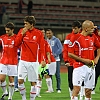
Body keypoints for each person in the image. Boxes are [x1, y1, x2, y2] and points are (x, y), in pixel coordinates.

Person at [15, 16, 46, 100]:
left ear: (31, 24)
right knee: (20, 81)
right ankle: (24, 98)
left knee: (33, 83)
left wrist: (43, 59)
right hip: (23, 61)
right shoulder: (22, 31)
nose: (24, 25)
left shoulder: (38, 33)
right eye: (24, 23)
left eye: (26, 24)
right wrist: (21, 35)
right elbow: (16, 44)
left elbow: (42, 47)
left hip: (33, 62)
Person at [68, 20, 100, 100]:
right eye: (92, 28)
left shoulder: (93, 37)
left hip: (91, 68)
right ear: (86, 29)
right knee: (76, 90)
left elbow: (99, 47)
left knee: (88, 91)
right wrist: (84, 60)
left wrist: (96, 58)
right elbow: (70, 54)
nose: (94, 29)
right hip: (79, 67)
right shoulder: (75, 37)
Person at [62, 21, 81, 98]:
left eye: (75, 28)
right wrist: (66, 60)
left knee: (80, 81)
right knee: (71, 80)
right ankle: (71, 96)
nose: (74, 30)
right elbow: (65, 50)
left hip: (80, 63)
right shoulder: (68, 37)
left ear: (79, 29)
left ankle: (81, 95)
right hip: (71, 63)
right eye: (73, 28)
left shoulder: (82, 36)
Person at [0, 22, 18, 100]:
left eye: (8, 30)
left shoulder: (17, 38)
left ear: (12, 30)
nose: (6, 32)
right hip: (3, 60)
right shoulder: (2, 38)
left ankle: (10, 97)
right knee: (1, 79)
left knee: (11, 79)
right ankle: (5, 92)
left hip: (13, 62)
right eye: (6, 30)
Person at [36, 28, 56, 97]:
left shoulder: (45, 42)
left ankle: (39, 92)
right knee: (40, 76)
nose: (43, 34)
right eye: (42, 32)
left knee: (42, 76)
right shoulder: (35, 41)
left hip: (42, 61)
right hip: (35, 61)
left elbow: (47, 51)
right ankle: (49, 89)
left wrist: (48, 58)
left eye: (44, 32)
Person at [46, 29, 62, 93]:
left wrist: (55, 54)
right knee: (49, 74)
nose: (48, 34)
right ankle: (50, 88)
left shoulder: (56, 40)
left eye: (49, 33)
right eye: (47, 33)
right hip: (49, 60)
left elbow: (60, 48)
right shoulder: (46, 41)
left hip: (56, 59)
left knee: (57, 74)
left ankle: (58, 88)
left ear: (52, 33)